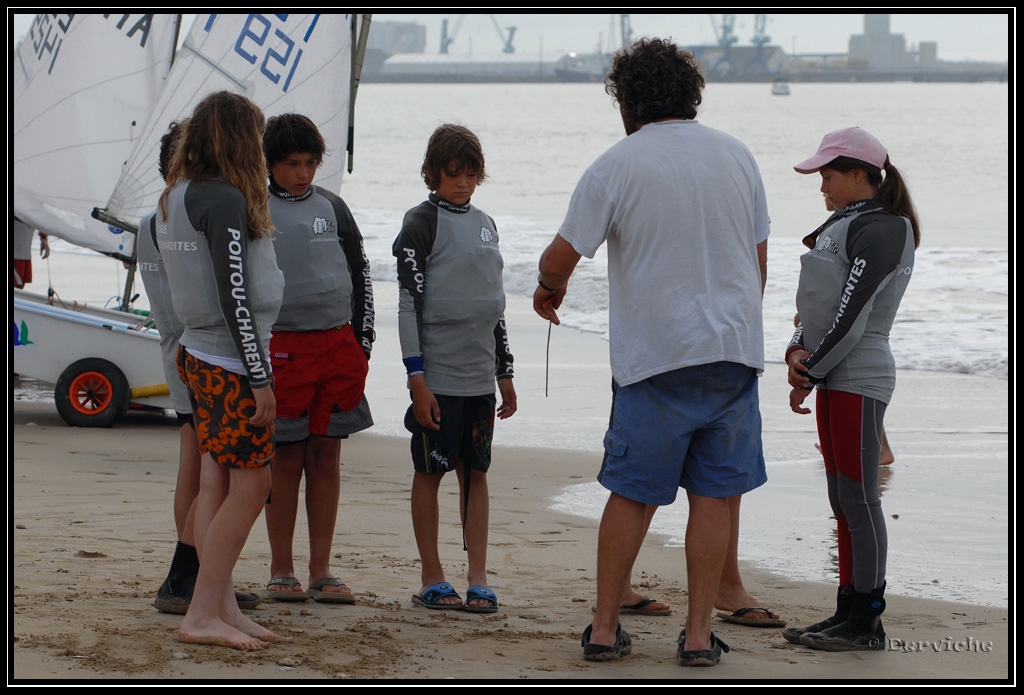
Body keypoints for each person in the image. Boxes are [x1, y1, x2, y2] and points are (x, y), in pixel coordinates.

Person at [534, 38, 770, 667]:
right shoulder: (738, 156)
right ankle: (697, 636)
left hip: (655, 359)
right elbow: (757, 264)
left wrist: (546, 290)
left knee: (633, 494)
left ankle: (606, 628)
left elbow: (561, 257)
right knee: (714, 497)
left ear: (627, 101)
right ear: (691, 94)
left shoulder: (617, 164)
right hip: (732, 352)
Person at [158, 90, 288, 651]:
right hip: (230, 361)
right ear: (240, 140)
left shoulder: (175, 196)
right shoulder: (224, 200)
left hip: (200, 353)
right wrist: (258, 376)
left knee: (216, 479)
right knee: (253, 484)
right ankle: (202, 612)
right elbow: (235, 294)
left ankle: (221, 604)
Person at [785, 126, 919, 651]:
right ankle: (846, 608)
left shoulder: (886, 228)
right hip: (832, 373)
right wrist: (797, 353)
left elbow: (856, 313)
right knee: (841, 497)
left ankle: (867, 620)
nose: (821, 184)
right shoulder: (844, 223)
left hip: (859, 376)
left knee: (860, 499)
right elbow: (817, 309)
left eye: (828, 174)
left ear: (859, 174)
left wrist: (813, 369)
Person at [138, 119, 261, 616]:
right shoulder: (174, 217)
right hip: (198, 356)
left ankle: (199, 576)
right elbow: (182, 303)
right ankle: (188, 576)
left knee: (201, 471)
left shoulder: (159, 216)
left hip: (185, 355)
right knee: (204, 474)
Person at [392, 123, 517, 614]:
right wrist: (416, 378)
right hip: (438, 378)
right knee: (430, 473)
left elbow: (495, 304)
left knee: (477, 474)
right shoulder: (420, 222)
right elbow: (408, 305)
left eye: (470, 174)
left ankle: (479, 578)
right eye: (452, 174)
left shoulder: (486, 222)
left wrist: (505, 372)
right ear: (431, 173)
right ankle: (432, 577)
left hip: (479, 378)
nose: (463, 183)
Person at [260, 113, 375, 604]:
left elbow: (359, 270)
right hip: (283, 349)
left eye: (310, 163)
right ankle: (281, 568)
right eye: (291, 164)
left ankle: (321, 569)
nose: (303, 173)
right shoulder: (255, 209)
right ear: (268, 164)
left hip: (337, 346)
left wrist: (363, 341)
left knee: (326, 455)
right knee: (285, 458)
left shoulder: (333, 206)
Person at [12, 216, 47, 289]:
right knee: (16, 285)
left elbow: (39, 215)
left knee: (20, 285)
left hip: (25, 253)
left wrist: (44, 238)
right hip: (15, 253)